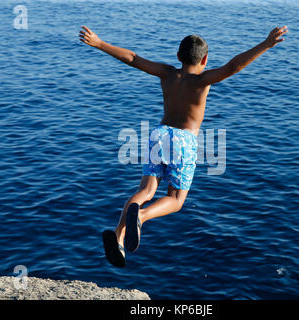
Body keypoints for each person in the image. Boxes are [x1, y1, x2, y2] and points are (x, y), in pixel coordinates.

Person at [79, 25, 288, 268]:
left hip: (159, 133)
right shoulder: (203, 79)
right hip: (184, 140)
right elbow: (233, 66)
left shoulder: (167, 73)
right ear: (205, 59)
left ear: (178, 56)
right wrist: (265, 44)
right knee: (176, 199)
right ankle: (142, 218)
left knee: (146, 191)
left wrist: (100, 43)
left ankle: (118, 237)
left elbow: (133, 59)